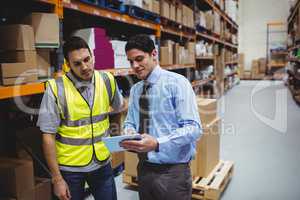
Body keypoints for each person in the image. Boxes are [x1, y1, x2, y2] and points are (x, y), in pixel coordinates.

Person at [37, 36, 123, 200]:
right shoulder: (56, 89)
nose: (85, 66)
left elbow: (118, 108)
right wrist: (57, 179)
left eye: (87, 59)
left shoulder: (106, 80)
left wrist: (115, 138)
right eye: (77, 63)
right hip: (70, 170)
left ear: (92, 57)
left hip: (102, 164)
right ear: (68, 65)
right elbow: (48, 136)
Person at [120, 34, 202, 200]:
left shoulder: (177, 83)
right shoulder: (136, 90)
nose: (135, 66)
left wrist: (157, 143)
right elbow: (130, 121)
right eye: (131, 61)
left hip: (172, 173)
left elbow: (194, 129)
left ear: (154, 54)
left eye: (139, 59)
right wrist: (129, 131)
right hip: (143, 169)